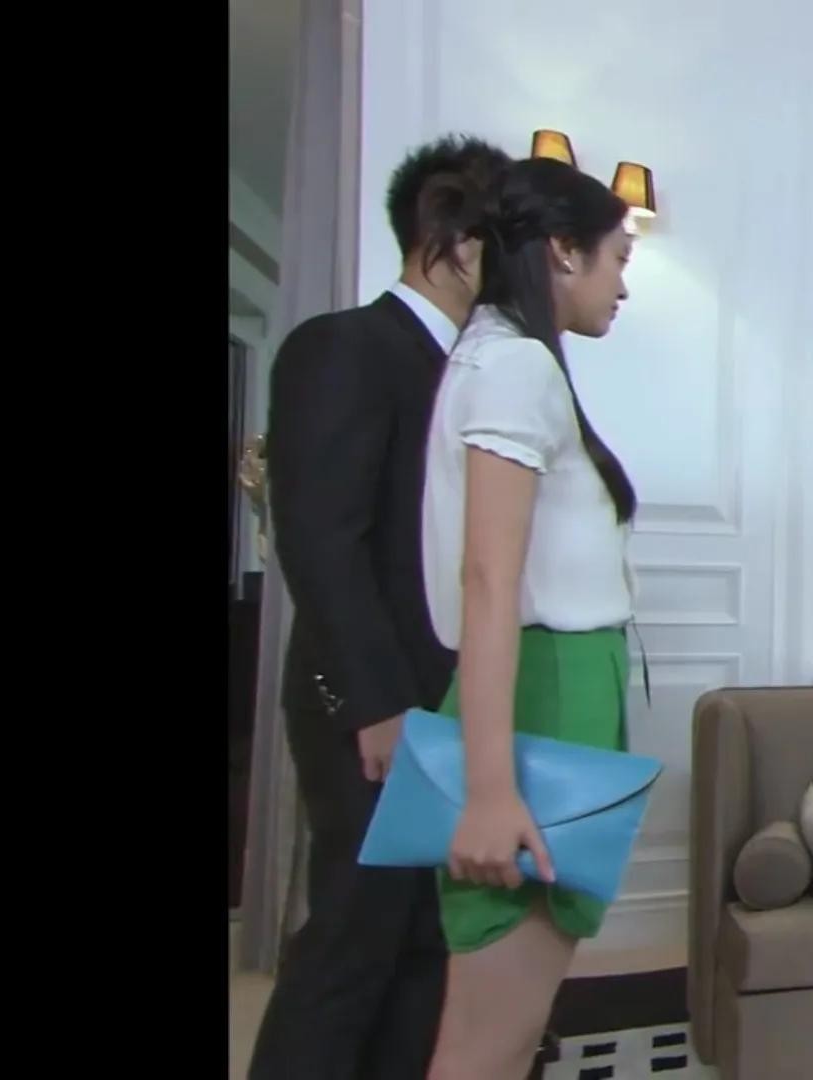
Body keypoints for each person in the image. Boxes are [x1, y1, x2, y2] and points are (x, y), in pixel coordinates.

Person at [251, 133, 512, 1080]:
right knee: (354, 942)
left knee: (424, 944)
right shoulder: (344, 347)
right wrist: (378, 702)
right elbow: (321, 540)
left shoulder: (472, 370)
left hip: (442, 706)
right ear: (455, 240)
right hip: (370, 704)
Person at [417, 156, 642, 1078]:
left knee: (504, 1034)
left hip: (559, 698)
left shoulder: (503, 357)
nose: (622, 284)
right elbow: (487, 579)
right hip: (544, 703)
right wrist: (490, 791)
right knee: (490, 1041)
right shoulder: (514, 365)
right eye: (617, 258)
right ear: (562, 250)